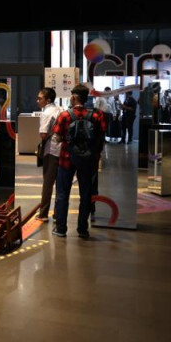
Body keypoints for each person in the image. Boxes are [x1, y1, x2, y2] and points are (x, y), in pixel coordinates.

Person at [52, 84, 106, 239]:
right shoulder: (97, 115)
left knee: (63, 193)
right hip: (88, 161)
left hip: (67, 159)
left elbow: (57, 137)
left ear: (74, 98)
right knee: (86, 194)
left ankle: (61, 228)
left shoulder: (65, 115)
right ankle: (82, 229)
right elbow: (101, 137)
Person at [36, 87, 63, 222]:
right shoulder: (60, 109)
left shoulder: (46, 113)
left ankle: (43, 213)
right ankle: (58, 214)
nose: (37, 101)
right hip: (62, 149)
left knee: (48, 182)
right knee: (60, 183)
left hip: (51, 150)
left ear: (48, 100)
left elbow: (43, 134)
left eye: (40, 98)